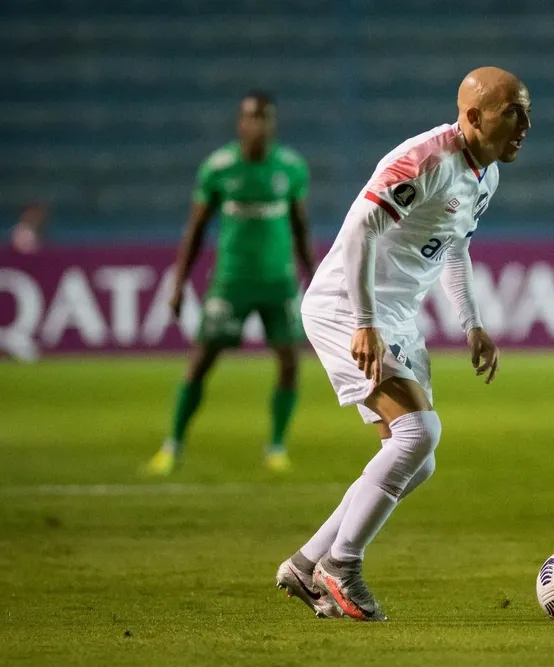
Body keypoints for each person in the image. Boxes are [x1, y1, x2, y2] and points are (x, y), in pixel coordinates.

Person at [274, 67, 531, 621]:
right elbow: (364, 227)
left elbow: (453, 246)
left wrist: (471, 322)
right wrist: (363, 320)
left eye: (527, 111)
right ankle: (342, 566)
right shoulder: (427, 159)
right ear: (474, 117)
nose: (525, 124)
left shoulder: (484, 175)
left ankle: (306, 562)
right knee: (419, 433)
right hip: (350, 306)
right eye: (513, 112)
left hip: (394, 316)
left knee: (420, 460)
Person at [145, 92, 315, 476]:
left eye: (265, 117)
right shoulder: (218, 168)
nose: (258, 124)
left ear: (273, 123)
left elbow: (301, 227)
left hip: (279, 281)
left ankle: (275, 447)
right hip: (231, 281)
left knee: (289, 362)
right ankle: (172, 445)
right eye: (251, 117)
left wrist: (316, 278)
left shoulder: (291, 168)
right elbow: (196, 230)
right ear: (240, 122)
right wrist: (177, 284)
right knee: (201, 362)